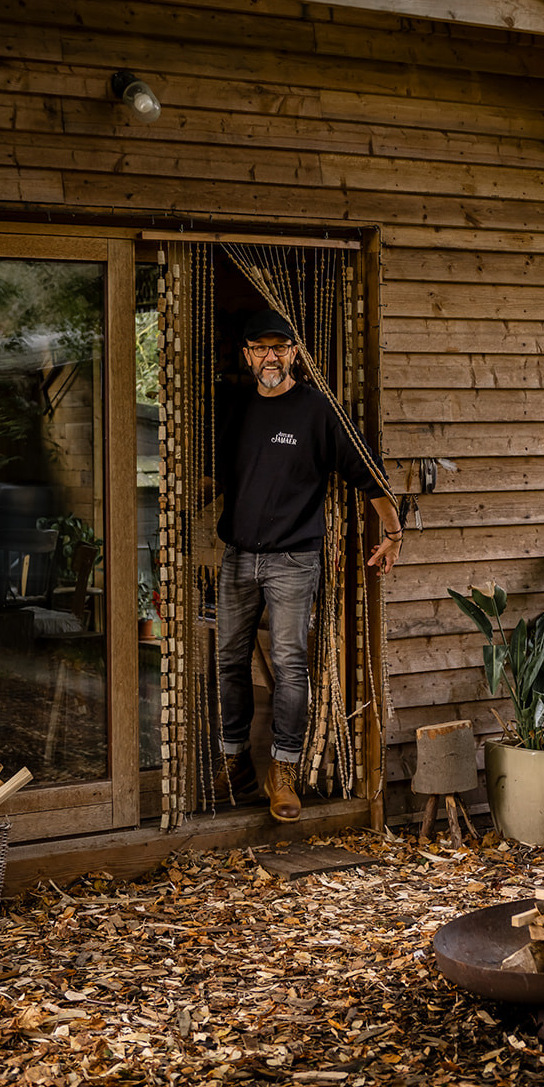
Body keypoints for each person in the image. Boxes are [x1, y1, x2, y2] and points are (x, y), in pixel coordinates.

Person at [212, 308, 403, 822]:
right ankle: (235, 765)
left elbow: (366, 469)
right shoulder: (234, 408)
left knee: (291, 666)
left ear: (294, 352)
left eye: (280, 347)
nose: (270, 356)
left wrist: (393, 531)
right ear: (248, 355)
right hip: (237, 556)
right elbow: (218, 475)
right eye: (260, 348)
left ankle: (284, 770)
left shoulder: (316, 411)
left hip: (295, 559)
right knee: (228, 660)